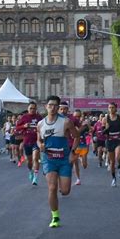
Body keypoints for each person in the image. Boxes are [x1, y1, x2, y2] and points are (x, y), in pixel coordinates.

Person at [37, 95, 79, 228]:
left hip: (64, 159)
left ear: (59, 107)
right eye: (50, 105)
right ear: (46, 106)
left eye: (56, 105)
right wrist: (40, 145)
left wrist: (73, 152)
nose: (53, 108)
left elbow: (77, 137)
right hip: (49, 159)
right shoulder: (40, 124)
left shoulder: (66, 122)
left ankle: (62, 187)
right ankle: (55, 217)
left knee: (65, 191)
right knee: (52, 187)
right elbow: (39, 140)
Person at [17, 102, 43, 185]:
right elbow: (17, 128)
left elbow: (44, 127)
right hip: (27, 141)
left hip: (37, 141)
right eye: (30, 108)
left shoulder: (39, 118)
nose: (32, 110)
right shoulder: (24, 117)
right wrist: (23, 126)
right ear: (28, 109)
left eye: (34, 108)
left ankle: (35, 177)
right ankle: (30, 171)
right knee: (29, 161)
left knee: (35, 158)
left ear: (36, 109)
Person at [103, 102, 120, 187]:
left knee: (118, 157)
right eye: (109, 107)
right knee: (112, 162)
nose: (111, 109)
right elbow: (102, 131)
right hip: (110, 141)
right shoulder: (105, 119)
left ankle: (119, 166)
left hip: (118, 140)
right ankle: (113, 179)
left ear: (116, 108)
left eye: (112, 107)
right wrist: (106, 129)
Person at [72, 110, 90, 186]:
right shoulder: (70, 124)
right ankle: (78, 179)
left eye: (79, 116)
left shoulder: (84, 125)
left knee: (84, 165)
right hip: (74, 146)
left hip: (83, 145)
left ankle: (80, 158)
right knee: (75, 163)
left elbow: (89, 130)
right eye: (76, 116)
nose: (77, 118)